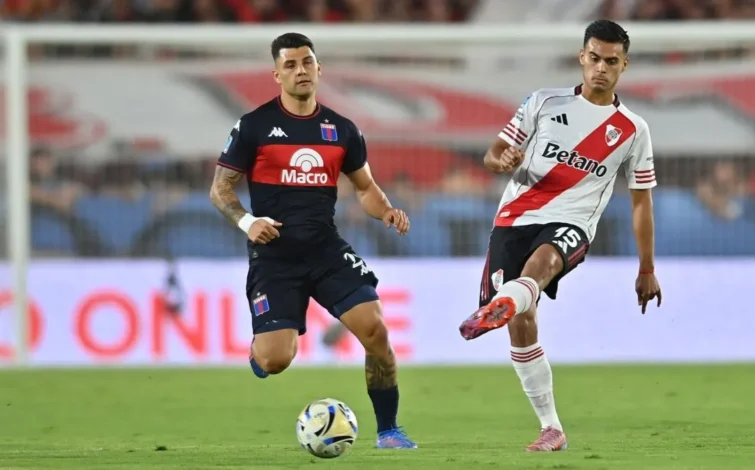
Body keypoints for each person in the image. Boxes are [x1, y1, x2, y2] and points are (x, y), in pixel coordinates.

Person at [458, 20, 662, 452]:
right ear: (581, 58)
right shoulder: (542, 102)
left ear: (624, 65)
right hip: (513, 220)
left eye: (611, 61)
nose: (600, 68)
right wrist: (504, 159)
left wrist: (647, 267)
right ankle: (551, 427)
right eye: (594, 58)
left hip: (572, 223)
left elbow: (641, 202)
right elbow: (493, 154)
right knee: (522, 322)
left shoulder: (632, 130)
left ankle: (508, 299)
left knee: (543, 265)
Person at [209, 32, 417, 450]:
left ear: (319, 68)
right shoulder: (253, 127)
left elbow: (365, 187)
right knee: (275, 359)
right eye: (290, 64)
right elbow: (220, 190)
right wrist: (248, 222)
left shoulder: (341, 130)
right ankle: (260, 352)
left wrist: (387, 210)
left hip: (326, 250)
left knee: (375, 330)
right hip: (275, 257)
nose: (300, 70)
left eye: (307, 62)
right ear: (276, 74)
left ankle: (389, 430)